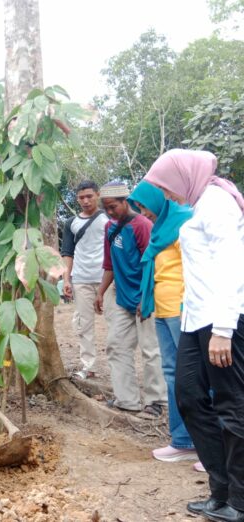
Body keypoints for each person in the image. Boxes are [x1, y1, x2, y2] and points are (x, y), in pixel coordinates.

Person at [145, 149, 244, 521]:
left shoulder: (218, 202)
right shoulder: (200, 202)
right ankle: (220, 491)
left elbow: (234, 265)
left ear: (183, 176)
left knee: (232, 406)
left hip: (223, 321)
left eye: (167, 186)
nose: (167, 195)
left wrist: (223, 329)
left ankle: (239, 499)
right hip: (194, 319)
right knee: (188, 396)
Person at [128, 181, 199, 464]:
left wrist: (188, 307)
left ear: (159, 200)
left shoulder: (186, 223)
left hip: (185, 312)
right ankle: (182, 440)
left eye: (145, 207)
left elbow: (196, 268)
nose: (144, 213)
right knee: (172, 374)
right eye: (140, 209)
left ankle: (211, 446)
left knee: (197, 378)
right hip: (162, 309)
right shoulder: (160, 229)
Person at [94, 182, 167, 419]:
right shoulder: (109, 227)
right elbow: (109, 264)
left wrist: (146, 297)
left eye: (113, 206)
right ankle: (127, 400)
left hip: (145, 299)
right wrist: (100, 292)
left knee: (150, 349)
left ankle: (157, 401)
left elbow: (154, 263)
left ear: (126, 201)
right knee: (116, 345)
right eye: (106, 208)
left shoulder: (142, 225)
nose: (111, 212)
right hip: (123, 298)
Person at [61, 180, 111, 379]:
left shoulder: (109, 219)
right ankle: (88, 366)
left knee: (115, 321)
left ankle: (119, 365)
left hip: (106, 278)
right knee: (84, 324)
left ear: (97, 195)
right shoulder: (71, 223)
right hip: (81, 279)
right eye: (81, 197)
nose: (86, 200)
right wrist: (66, 280)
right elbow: (67, 253)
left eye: (89, 196)